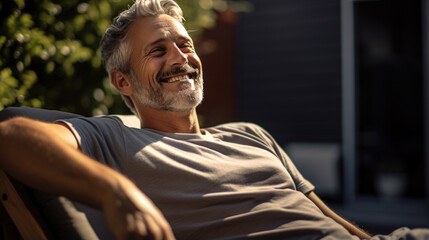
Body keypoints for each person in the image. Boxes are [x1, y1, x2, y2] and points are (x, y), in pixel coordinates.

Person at [0, 0, 428, 239]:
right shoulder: (113, 139)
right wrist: (116, 192)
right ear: (123, 82)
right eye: (158, 51)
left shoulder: (251, 134)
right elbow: (11, 133)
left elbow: (326, 219)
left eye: (185, 45)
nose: (181, 59)